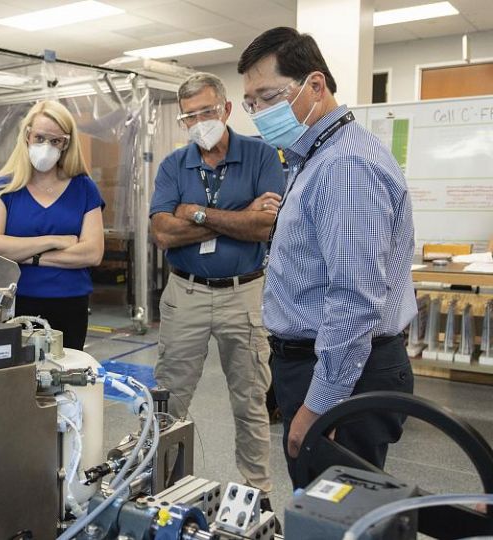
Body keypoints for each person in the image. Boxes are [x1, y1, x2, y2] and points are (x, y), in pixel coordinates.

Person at [238, 27, 416, 486]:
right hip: (325, 366)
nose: (258, 114)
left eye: (267, 97)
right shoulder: (315, 156)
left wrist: (320, 405)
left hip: (341, 375)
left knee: (333, 514)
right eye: (251, 103)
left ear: (315, 86)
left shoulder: (346, 166)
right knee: (333, 507)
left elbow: (355, 301)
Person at [149, 72, 285, 506]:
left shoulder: (262, 156)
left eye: (206, 111)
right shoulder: (174, 165)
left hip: (243, 293)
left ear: (226, 110)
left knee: (250, 401)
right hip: (185, 293)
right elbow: (163, 233)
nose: (199, 122)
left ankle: (257, 493)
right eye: (189, 116)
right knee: (170, 401)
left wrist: (199, 215)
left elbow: (266, 225)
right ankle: (162, 487)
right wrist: (237, 216)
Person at [0, 100, 104, 350]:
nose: (46, 146)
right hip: (15, 301)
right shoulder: (2, 187)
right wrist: (54, 240)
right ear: (27, 136)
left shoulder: (84, 188)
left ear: (66, 143)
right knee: (19, 380)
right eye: (40, 137)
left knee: (64, 376)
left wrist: (26, 256)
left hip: (70, 303)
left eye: (56, 141)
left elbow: (92, 253)